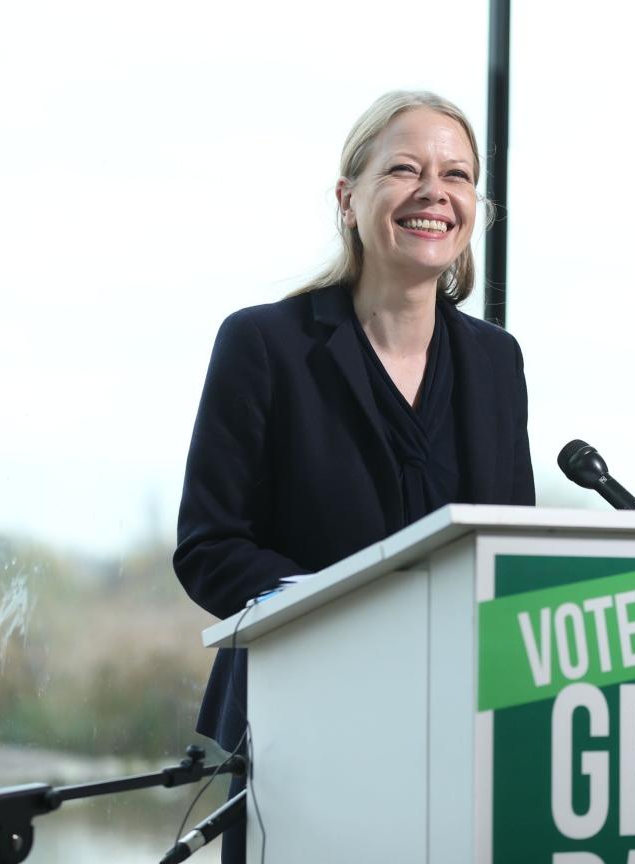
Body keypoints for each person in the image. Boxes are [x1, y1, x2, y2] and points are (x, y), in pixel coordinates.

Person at [174, 90, 535, 862]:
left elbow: (513, 563)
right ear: (348, 198)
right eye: (404, 169)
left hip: (460, 732)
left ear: (477, 206)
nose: (433, 191)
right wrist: (355, 619)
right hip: (300, 733)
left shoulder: (497, 362)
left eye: (458, 175)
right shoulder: (261, 344)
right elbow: (209, 549)